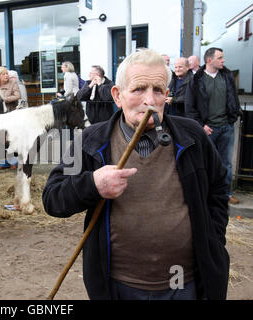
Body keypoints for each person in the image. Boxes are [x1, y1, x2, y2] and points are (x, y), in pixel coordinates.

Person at [43, 48, 230, 300]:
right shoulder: (92, 140)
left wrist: (213, 238)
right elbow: (53, 199)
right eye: (139, 89)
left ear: (167, 95)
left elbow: (218, 187)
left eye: (158, 90)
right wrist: (92, 184)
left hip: (182, 282)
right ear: (118, 96)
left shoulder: (192, 135)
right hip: (118, 285)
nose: (150, 100)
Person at [185, 47, 241, 205]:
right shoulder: (196, 80)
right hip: (208, 130)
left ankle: (226, 194)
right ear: (209, 60)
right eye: (220, 58)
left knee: (226, 163)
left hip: (226, 127)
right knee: (206, 162)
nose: (223, 60)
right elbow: (190, 107)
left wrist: (233, 117)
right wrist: (201, 125)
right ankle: (206, 193)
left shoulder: (228, 76)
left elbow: (233, 100)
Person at [0, 66, 21, 169]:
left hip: (11, 114)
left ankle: (13, 162)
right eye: (3, 74)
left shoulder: (13, 83)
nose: (6, 75)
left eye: (6, 73)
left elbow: (18, 96)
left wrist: (5, 99)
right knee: (0, 138)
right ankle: (2, 163)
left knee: (11, 139)